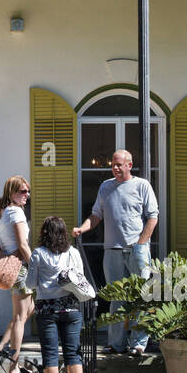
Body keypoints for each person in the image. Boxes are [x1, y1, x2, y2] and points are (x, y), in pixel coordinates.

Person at [72, 149, 158, 356]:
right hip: (112, 251)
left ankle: (138, 344)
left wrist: (141, 243)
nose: (116, 168)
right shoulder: (106, 187)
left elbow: (153, 217)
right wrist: (82, 229)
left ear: (130, 164)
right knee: (116, 299)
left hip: (137, 250)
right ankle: (116, 343)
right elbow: (96, 215)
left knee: (140, 298)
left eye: (120, 164)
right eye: (113, 164)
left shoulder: (142, 185)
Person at [25, 216, 85, 373]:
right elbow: (80, 278)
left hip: (47, 309)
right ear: (64, 233)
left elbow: (30, 284)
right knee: (73, 353)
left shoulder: (38, 253)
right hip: (71, 308)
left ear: (45, 232)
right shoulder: (73, 252)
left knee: (50, 354)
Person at [0, 175, 34, 373]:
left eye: (28, 191)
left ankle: (2, 346)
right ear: (12, 193)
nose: (27, 195)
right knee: (19, 317)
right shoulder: (16, 213)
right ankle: (13, 365)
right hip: (21, 268)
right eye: (22, 191)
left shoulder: (4, 212)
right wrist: (36, 266)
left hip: (13, 268)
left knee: (28, 310)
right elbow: (23, 244)